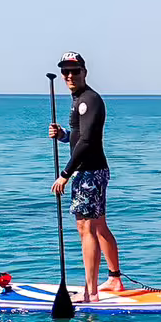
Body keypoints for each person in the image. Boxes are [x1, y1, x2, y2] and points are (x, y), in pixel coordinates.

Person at [47, 52, 123, 299]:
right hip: (94, 169)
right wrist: (64, 135)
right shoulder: (80, 99)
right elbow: (81, 136)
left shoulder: (88, 100)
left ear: (84, 72)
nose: (69, 75)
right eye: (65, 71)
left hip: (88, 172)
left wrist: (65, 174)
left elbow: (89, 141)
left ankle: (91, 292)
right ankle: (114, 280)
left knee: (85, 228)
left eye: (75, 71)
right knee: (99, 226)